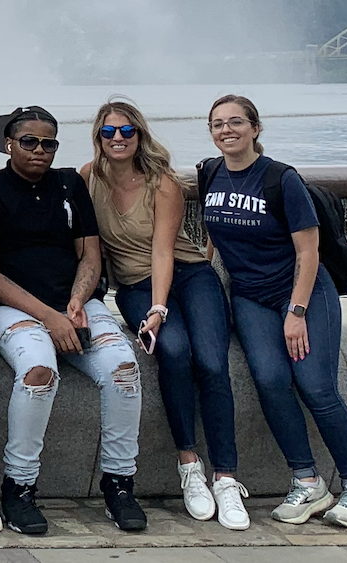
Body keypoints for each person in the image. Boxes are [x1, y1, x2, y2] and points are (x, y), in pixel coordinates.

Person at [0, 106, 147, 536]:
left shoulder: (70, 184)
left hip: (76, 303)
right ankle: (19, 487)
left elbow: (90, 253)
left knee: (123, 369)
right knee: (39, 372)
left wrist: (78, 302)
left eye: (49, 143)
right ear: (8, 144)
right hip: (10, 307)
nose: (40, 151)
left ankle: (119, 484)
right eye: (29, 141)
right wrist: (50, 318)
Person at [200, 94, 347, 529]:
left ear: (255, 128)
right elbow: (215, 238)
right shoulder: (211, 173)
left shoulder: (280, 179)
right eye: (218, 124)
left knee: (316, 386)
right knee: (271, 382)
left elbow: (308, 251)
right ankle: (308, 482)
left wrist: (296, 311)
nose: (226, 130)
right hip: (250, 297)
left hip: (303, 292)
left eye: (236, 122)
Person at [81, 99, 247, 530]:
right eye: (109, 132)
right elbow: (85, 247)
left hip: (189, 278)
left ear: (140, 135)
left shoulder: (162, 183)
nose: (118, 138)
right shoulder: (87, 179)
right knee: (173, 352)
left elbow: (162, 252)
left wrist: (159, 308)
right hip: (133, 287)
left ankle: (226, 478)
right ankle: (189, 464)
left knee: (211, 363)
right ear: (98, 137)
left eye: (127, 131)